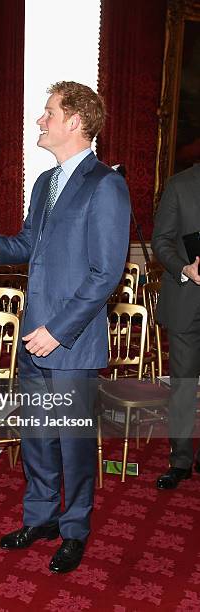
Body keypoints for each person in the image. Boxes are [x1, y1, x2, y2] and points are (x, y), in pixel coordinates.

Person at [0, 81, 130, 573]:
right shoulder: (45, 183)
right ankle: (41, 517)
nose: (40, 121)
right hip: (33, 334)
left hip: (71, 341)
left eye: (48, 113)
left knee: (73, 442)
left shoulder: (106, 184)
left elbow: (107, 273)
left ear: (75, 122)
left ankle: (75, 527)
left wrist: (59, 331)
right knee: (38, 436)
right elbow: (27, 246)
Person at [151, 165, 200, 490]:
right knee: (183, 385)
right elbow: (161, 241)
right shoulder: (180, 185)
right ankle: (180, 460)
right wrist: (184, 267)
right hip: (188, 301)